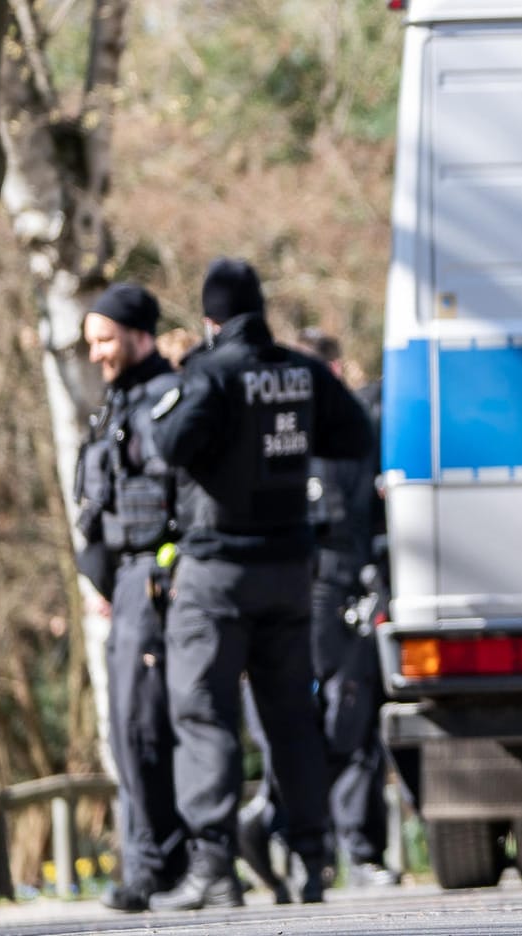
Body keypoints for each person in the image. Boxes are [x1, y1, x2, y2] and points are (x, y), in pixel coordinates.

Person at [145, 258, 374, 911]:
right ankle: (311, 860)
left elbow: (170, 444)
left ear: (210, 319)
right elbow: (355, 433)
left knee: (205, 713)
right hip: (290, 572)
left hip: (218, 572)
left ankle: (215, 866)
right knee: (292, 717)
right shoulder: (301, 372)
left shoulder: (210, 373)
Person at [236, 330, 396, 896]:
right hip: (309, 581)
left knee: (349, 724)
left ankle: (327, 840)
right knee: (321, 721)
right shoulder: (285, 432)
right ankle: (284, 821)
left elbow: (376, 512)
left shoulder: (357, 428)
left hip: (345, 578)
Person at [71, 282, 190, 911]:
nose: (95, 355)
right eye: (90, 342)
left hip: (156, 580)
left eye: (105, 340)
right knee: (127, 726)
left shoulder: (166, 402)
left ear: (140, 336)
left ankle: (156, 864)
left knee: (141, 725)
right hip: (124, 584)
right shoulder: (114, 406)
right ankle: (161, 857)